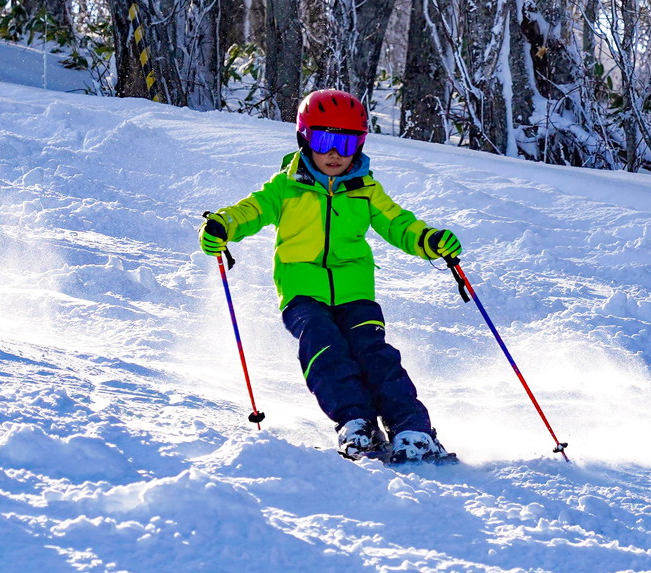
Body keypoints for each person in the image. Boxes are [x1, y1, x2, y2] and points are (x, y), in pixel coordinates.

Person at [198, 89, 462, 462]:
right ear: (305, 138)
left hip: (355, 292)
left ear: (360, 144)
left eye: (346, 142)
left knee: (375, 353)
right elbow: (250, 210)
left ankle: (412, 429)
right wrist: (223, 224)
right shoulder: (285, 187)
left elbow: (399, 223)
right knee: (324, 348)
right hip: (302, 291)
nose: (335, 153)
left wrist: (429, 240)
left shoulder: (365, 190)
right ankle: (356, 423)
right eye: (324, 141)